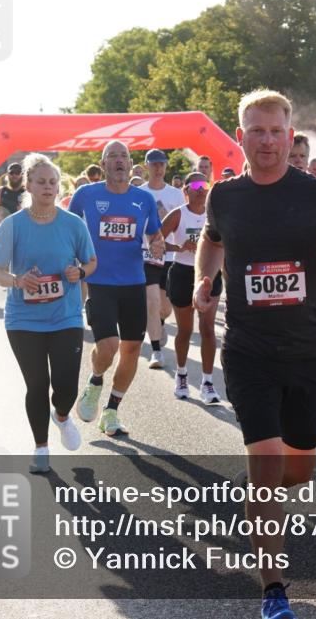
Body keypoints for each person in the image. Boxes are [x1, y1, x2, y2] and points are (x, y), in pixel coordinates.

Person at [195, 89, 316, 619]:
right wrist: (205, 279)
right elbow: (212, 240)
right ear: (240, 137)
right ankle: (273, 589)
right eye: (257, 130)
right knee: (268, 461)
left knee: (296, 471)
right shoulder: (224, 196)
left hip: (306, 351)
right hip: (247, 350)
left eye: (276, 131)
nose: (268, 140)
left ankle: (257, 495)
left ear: (289, 134)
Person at [0, 153, 97, 474]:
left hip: (65, 316)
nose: (48, 187)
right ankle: (41, 448)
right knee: (37, 385)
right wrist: (18, 280)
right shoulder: (12, 225)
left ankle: (61, 415)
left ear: (58, 186)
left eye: (53, 182)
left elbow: (90, 261)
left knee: (67, 387)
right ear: (29, 186)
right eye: (41, 182)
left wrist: (80, 272)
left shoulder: (73, 224)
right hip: (23, 320)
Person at [70, 140, 166, 437]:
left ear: (130, 163)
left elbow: (155, 235)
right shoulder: (86, 195)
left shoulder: (144, 199)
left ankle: (111, 410)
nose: (119, 160)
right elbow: (68, 227)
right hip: (99, 281)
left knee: (132, 348)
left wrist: (158, 244)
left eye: (124, 156)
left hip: (134, 282)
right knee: (109, 345)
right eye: (112, 156)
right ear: (103, 165)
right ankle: (95, 380)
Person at [161, 172, 222, 404]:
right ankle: (182, 375)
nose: (201, 189)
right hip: (182, 273)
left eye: (205, 184)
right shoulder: (178, 214)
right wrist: (179, 246)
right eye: (195, 185)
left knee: (208, 329)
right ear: (185, 190)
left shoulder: (214, 215)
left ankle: (207, 382)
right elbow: (155, 240)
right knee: (185, 330)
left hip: (208, 275)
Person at [139, 149, 185, 369]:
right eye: (154, 164)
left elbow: (181, 223)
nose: (158, 168)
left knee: (165, 308)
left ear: (166, 166)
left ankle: (160, 323)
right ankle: (156, 351)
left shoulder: (175, 194)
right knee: (152, 301)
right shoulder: (138, 192)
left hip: (170, 256)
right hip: (147, 255)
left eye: (161, 164)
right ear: (146, 166)